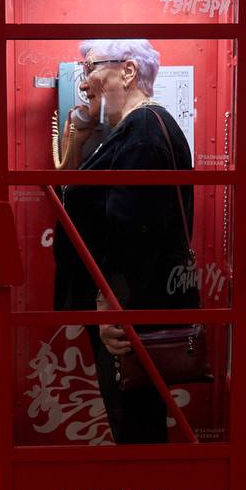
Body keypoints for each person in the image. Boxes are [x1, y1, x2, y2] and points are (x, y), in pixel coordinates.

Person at [52, 39, 196, 444]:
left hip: (129, 312)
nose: (83, 83)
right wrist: (78, 137)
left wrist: (111, 306)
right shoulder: (131, 131)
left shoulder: (142, 133)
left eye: (90, 69)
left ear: (128, 72)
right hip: (133, 306)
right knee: (136, 419)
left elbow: (133, 232)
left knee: (136, 425)